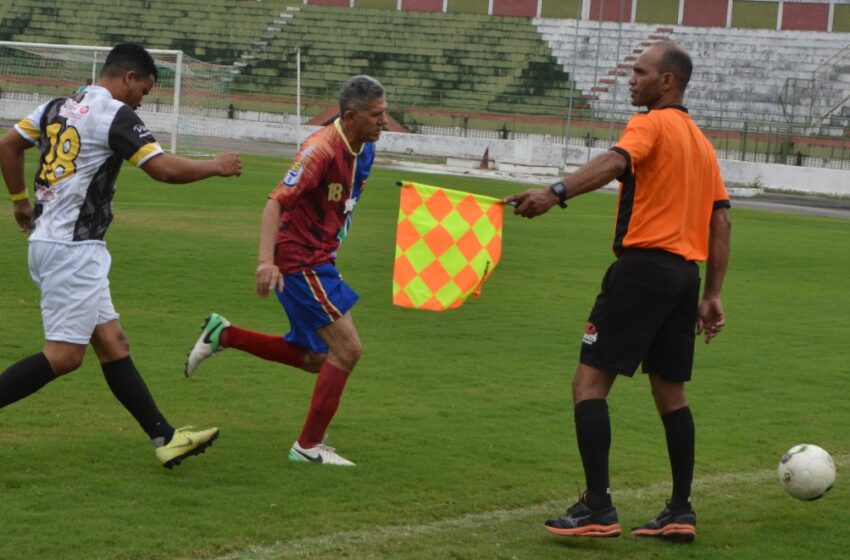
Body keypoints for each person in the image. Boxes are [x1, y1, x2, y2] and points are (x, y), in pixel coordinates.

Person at [505, 41, 731, 542]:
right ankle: (680, 510)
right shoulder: (701, 141)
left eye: (640, 71)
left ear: (666, 81)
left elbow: (614, 164)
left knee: (588, 386)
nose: (631, 79)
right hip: (683, 277)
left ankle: (598, 508)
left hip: (642, 269)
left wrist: (553, 193)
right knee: (671, 394)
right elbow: (721, 221)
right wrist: (712, 292)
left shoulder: (650, 123)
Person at [0, 43, 243, 468]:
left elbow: (8, 145)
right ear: (129, 78)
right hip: (74, 250)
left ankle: (165, 438)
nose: (142, 100)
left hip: (52, 243)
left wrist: (19, 200)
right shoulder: (115, 114)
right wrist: (216, 166)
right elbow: (162, 169)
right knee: (63, 357)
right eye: (144, 91)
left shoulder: (57, 105)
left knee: (113, 344)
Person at [184, 75, 387, 467]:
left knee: (317, 357)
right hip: (298, 260)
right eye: (377, 114)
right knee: (347, 349)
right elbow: (274, 203)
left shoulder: (366, 148)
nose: (385, 121)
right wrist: (266, 261)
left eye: (385, 112)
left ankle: (224, 334)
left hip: (320, 258)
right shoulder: (319, 152)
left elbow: (344, 202)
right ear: (350, 116)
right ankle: (308, 447)